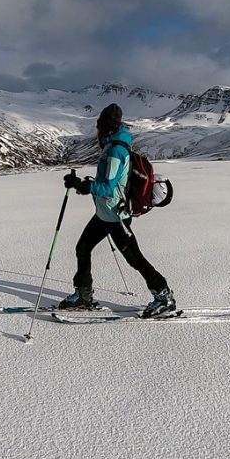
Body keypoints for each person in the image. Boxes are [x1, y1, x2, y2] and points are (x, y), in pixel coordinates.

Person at [58, 103, 176, 318]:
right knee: (82, 248)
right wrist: (81, 183)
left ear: (108, 128)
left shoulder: (115, 151)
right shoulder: (112, 145)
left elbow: (108, 188)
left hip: (115, 217)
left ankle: (163, 296)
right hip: (105, 214)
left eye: (100, 127)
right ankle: (83, 294)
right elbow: (109, 182)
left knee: (135, 259)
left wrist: (83, 186)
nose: (97, 131)